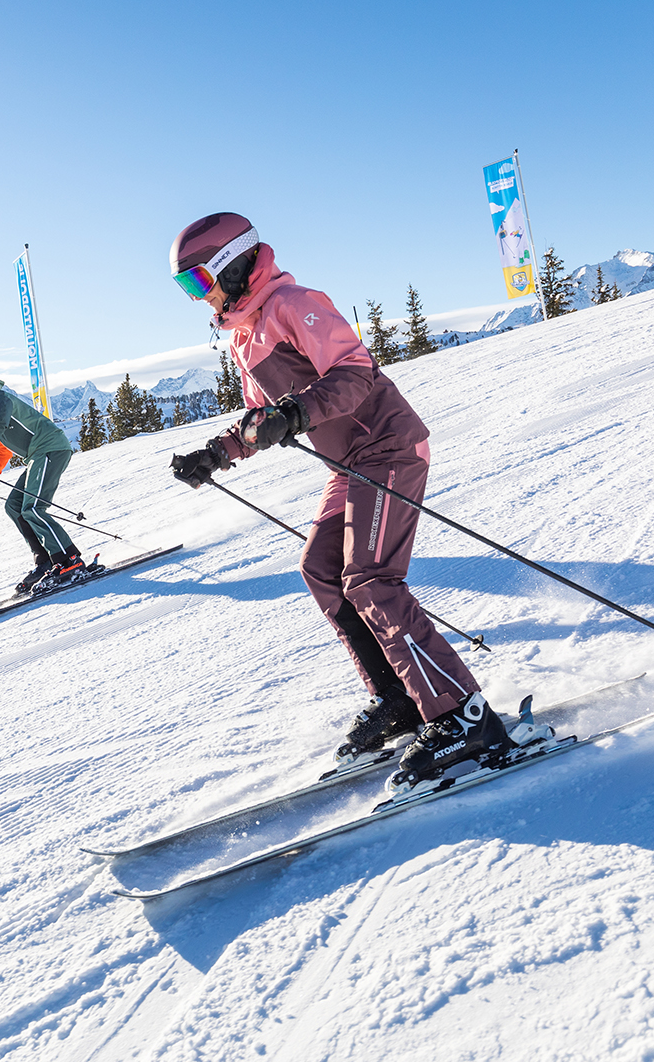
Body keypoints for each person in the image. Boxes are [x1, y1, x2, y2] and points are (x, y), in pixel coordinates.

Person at [164, 213, 511, 786]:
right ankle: (400, 698)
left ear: (232, 263)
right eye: (186, 285)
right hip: (348, 465)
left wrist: (296, 412)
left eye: (199, 280)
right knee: (321, 569)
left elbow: (354, 373)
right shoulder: (246, 334)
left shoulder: (294, 304)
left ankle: (462, 715)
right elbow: (262, 420)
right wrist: (216, 453)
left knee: (370, 579)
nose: (198, 296)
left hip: (387, 447)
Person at [0, 367, 89, 594]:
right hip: (38, 455)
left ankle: (68, 559)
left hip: (50, 448)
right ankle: (45, 561)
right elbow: (2, 448)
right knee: (14, 506)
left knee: (33, 508)